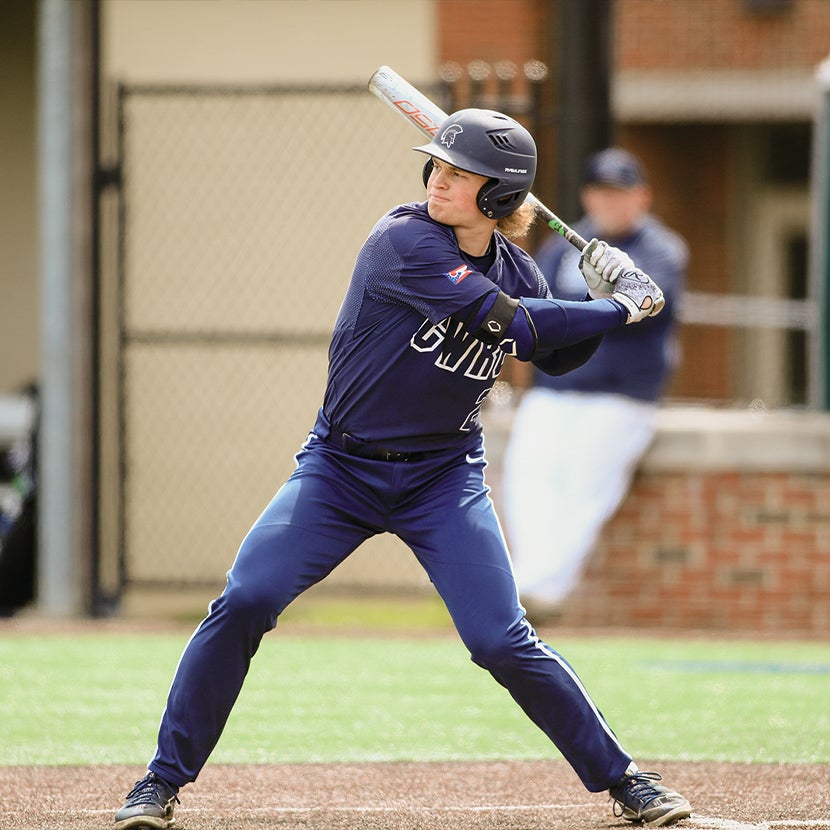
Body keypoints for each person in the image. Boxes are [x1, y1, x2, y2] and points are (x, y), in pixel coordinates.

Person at [114, 112, 691, 829]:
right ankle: (159, 783)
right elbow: (516, 326)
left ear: (498, 192)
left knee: (500, 640)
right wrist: (620, 306)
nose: (437, 180)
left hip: (443, 479)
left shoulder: (517, 267)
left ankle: (626, 779)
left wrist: (602, 294)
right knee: (246, 600)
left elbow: (557, 350)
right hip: (341, 470)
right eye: (436, 166)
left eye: (457, 171)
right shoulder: (402, 240)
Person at [503, 147, 688, 617]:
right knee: (527, 480)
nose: (610, 203)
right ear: (587, 196)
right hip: (556, 390)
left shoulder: (660, 250)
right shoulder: (568, 244)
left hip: (621, 396)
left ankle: (544, 593)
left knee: (585, 486)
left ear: (641, 197)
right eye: (602, 192)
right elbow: (533, 305)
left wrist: (604, 298)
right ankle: (524, 586)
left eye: (621, 193)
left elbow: (646, 310)